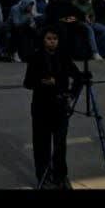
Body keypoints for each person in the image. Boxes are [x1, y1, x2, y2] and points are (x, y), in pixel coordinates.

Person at [23, 27, 81, 189]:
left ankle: (60, 176)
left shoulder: (63, 56)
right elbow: (27, 83)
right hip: (41, 107)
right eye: (49, 39)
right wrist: (42, 82)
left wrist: (71, 94)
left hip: (60, 106)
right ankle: (43, 176)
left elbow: (78, 77)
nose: (52, 42)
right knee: (42, 145)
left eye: (55, 39)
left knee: (60, 145)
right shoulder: (36, 57)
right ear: (43, 40)